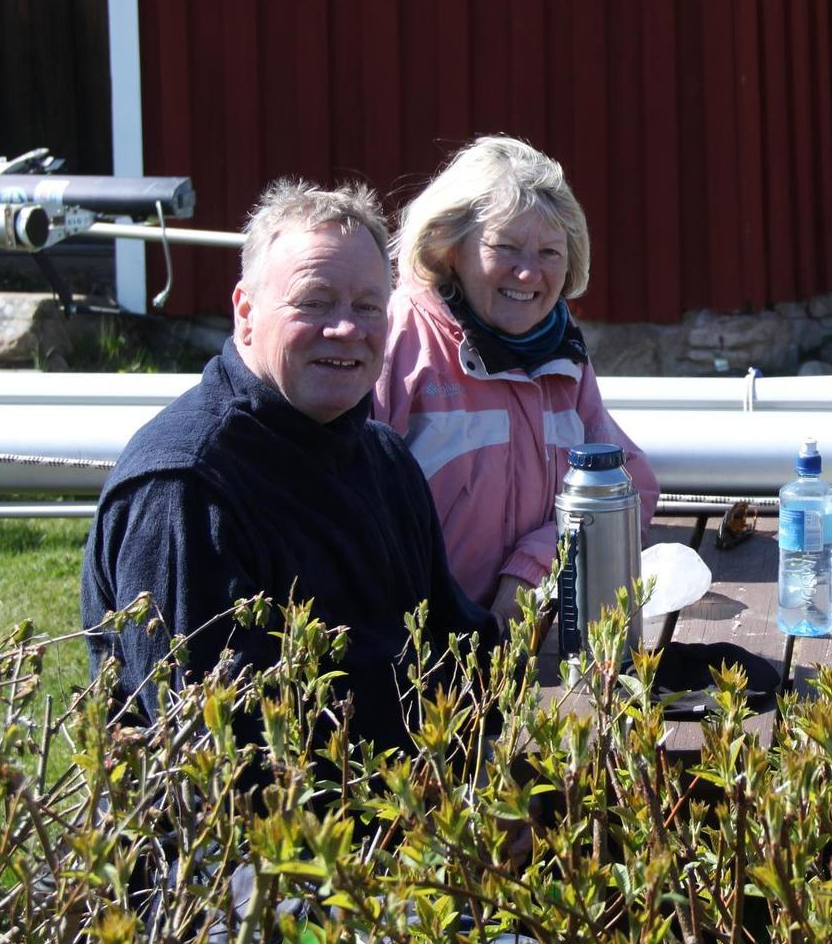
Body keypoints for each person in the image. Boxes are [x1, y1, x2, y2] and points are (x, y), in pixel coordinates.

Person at [82, 179, 497, 754]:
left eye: (367, 307)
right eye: (314, 301)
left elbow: (454, 651)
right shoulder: (187, 487)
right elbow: (211, 745)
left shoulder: (383, 458)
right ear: (246, 313)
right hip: (264, 833)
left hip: (409, 811)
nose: (346, 328)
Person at [376, 135, 658, 628]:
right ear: (449, 247)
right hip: (412, 658)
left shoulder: (561, 351)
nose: (528, 274)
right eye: (504, 246)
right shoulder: (397, 339)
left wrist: (535, 565)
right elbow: (338, 496)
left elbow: (631, 485)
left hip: (530, 652)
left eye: (550, 252)